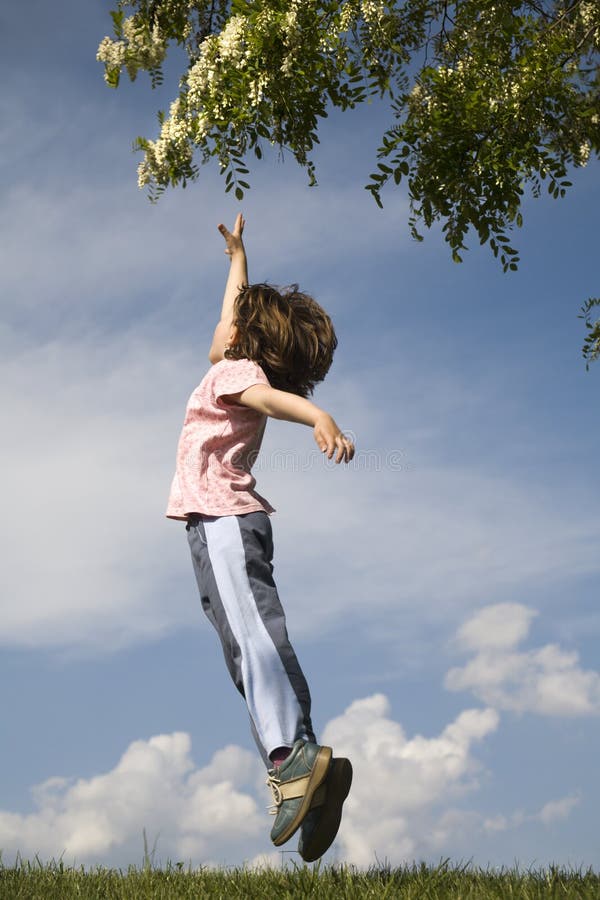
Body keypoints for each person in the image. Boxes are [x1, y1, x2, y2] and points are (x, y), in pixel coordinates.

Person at [166, 213, 354, 861]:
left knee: (253, 643)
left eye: (230, 323)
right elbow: (233, 316)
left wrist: (317, 415)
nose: (216, 328)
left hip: (222, 523)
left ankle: (292, 760)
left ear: (243, 340)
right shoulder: (236, 363)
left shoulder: (237, 376)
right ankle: (303, 770)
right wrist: (237, 259)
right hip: (217, 527)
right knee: (245, 646)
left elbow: (276, 402)